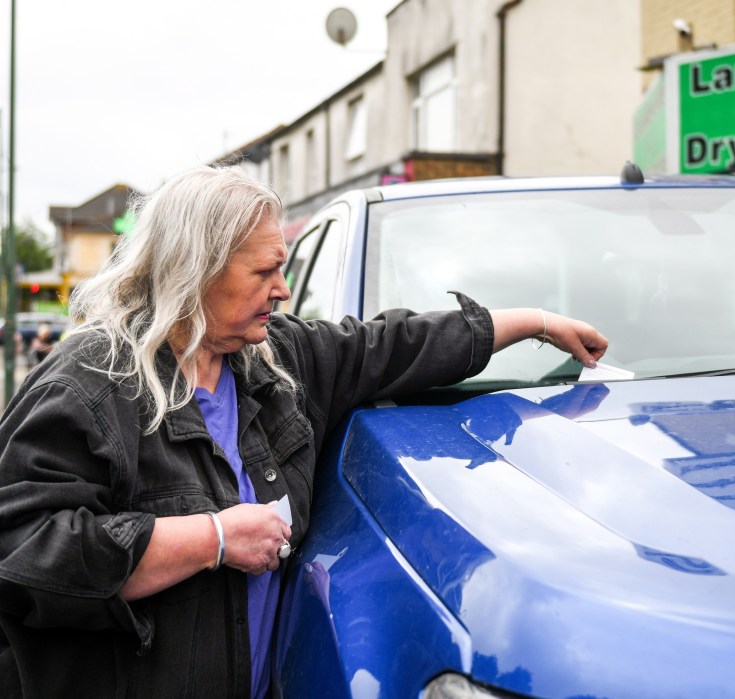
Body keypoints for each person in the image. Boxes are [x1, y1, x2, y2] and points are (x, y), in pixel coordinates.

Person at [0, 166, 607, 698]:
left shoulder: (276, 359)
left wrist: (537, 321)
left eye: (282, 269)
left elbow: (395, 344)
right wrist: (209, 538)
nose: (283, 289)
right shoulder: (90, 381)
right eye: (265, 270)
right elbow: (23, 550)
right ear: (196, 270)